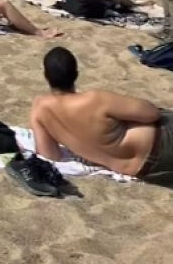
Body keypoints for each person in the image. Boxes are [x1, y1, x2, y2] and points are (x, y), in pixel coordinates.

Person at [31, 47, 173, 185]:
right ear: (76, 74)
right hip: (162, 143)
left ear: (46, 76)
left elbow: (49, 155)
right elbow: (151, 114)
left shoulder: (39, 110)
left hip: (144, 171)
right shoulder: (95, 99)